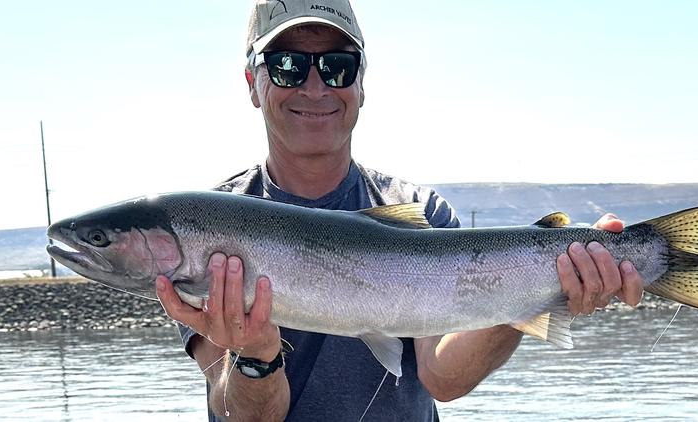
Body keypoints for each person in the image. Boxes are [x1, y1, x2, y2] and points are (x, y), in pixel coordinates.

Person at [155, 1, 644, 421]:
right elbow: (243, 413)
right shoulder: (209, 231)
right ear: (252, 82)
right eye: (286, 65)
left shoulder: (421, 211)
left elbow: (443, 376)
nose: (314, 86)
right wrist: (256, 356)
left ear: (361, 84)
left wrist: (531, 295)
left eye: (337, 67)